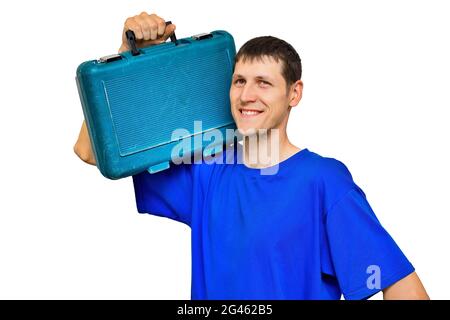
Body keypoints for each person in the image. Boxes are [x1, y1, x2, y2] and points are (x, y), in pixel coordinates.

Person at [74, 12, 429, 300]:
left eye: (264, 82)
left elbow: (405, 290)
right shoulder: (207, 172)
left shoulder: (322, 181)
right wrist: (127, 58)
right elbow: (90, 152)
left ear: (294, 93)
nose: (247, 95)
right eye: (239, 81)